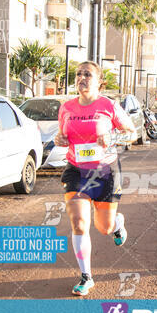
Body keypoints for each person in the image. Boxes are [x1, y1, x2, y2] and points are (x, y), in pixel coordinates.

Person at [54, 61, 137, 296]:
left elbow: (131, 133)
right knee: (79, 222)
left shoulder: (108, 105)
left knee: (104, 227)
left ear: (99, 81)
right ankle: (86, 276)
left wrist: (111, 138)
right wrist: (60, 140)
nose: (82, 78)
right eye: (78, 74)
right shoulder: (67, 107)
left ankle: (117, 223)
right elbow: (62, 136)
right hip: (77, 171)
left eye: (87, 74)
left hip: (106, 171)